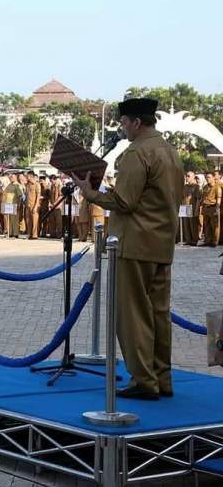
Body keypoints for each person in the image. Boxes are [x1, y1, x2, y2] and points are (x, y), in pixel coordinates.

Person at [74, 97, 183, 400]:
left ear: (136, 122)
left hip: (134, 244)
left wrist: (91, 193)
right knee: (159, 314)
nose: (122, 129)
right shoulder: (169, 151)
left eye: (123, 123)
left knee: (132, 315)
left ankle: (143, 381)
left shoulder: (138, 152)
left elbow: (125, 201)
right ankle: (162, 378)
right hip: (161, 242)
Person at [200, 173, 221, 247]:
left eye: (209, 177)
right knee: (207, 225)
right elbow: (203, 198)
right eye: (206, 177)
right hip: (206, 208)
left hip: (213, 207)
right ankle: (207, 241)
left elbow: (219, 199)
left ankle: (215, 242)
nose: (207, 179)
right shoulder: (205, 187)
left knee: (215, 226)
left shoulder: (217, 187)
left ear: (213, 178)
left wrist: (217, 208)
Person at [24, 171, 41, 240]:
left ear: (31, 176)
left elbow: (38, 196)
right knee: (28, 220)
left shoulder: (37, 184)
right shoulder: (27, 184)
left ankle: (35, 235)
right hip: (28, 205)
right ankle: (29, 234)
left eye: (27, 176)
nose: (26, 177)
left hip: (34, 205)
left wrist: (36, 206)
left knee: (35, 220)